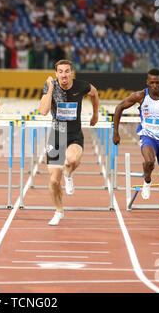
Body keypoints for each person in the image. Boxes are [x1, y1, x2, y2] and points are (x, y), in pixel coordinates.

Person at [113, 68, 159, 222]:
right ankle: (147, 180)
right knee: (149, 161)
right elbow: (119, 107)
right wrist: (116, 132)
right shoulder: (141, 96)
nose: (155, 85)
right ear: (147, 82)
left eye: (157, 83)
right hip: (148, 137)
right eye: (152, 82)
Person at [39, 59, 99, 226]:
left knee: (71, 160)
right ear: (56, 73)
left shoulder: (81, 85)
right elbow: (43, 111)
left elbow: (94, 93)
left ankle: (69, 174)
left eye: (67, 71)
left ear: (71, 73)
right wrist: (51, 88)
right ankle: (59, 211)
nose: (64, 75)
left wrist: (95, 114)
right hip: (56, 136)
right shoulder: (50, 87)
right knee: (53, 181)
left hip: (74, 135)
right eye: (60, 71)